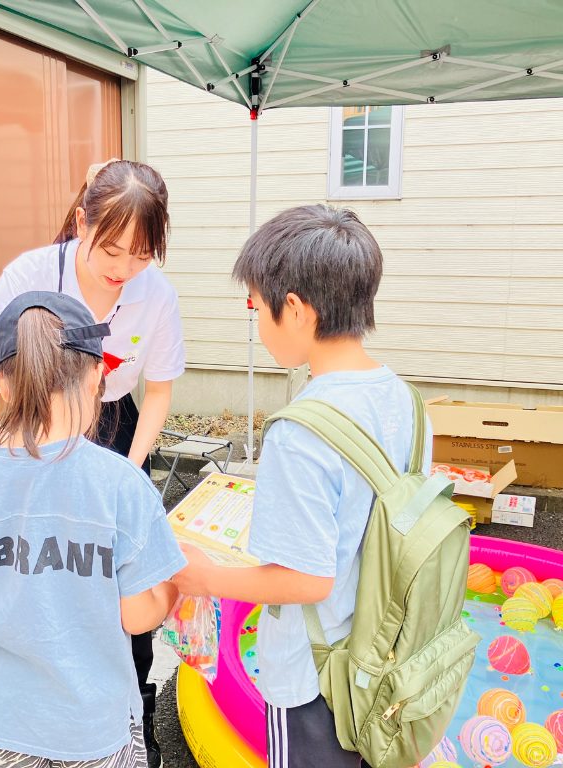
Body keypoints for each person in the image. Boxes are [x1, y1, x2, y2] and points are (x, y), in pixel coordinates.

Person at [173, 205, 432, 768]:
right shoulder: (409, 403)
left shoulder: (299, 431)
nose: (259, 325)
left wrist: (204, 575)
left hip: (315, 679)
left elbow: (308, 579)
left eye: (256, 308)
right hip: (387, 656)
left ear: (294, 308)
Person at [0, 159, 184, 766]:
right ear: (80, 220)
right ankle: (27, 712)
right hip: (23, 428)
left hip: (110, 423)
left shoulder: (155, 294)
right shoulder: (30, 274)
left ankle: (129, 708)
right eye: (111, 249)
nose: (122, 270)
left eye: (140, 256)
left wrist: (129, 471)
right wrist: (22, 456)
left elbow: (156, 392)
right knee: (37, 582)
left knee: (121, 579)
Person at [0, 291, 186, 768]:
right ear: (96, 375)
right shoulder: (122, 484)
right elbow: (139, 617)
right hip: (96, 720)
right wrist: (172, 592)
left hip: (7, 718)